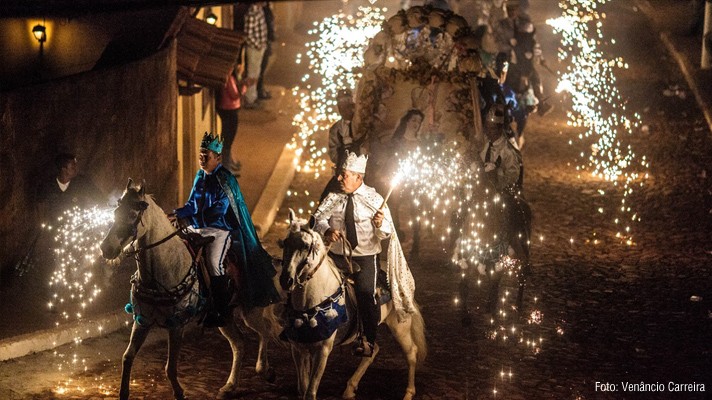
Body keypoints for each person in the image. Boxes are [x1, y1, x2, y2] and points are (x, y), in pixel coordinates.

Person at [173, 132, 280, 327]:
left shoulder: (225, 179)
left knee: (214, 264)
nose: (202, 159)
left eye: (206, 156)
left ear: (218, 158)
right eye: (200, 155)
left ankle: (221, 310)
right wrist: (175, 214)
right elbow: (192, 204)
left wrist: (191, 219)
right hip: (198, 227)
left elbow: (218, 211)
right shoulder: (200, 176)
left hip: (219, 230)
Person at [312, 151, 394, 357]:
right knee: (309, 278)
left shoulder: (374, 199)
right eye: (339, 174)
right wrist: (327, 231)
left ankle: (367, 339)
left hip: (365, 257)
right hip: (337, 256)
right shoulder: (333, 197)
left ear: (359, 177)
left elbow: (387, 232)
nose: (339, 178)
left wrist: (379, 224)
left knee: (366, 293)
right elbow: (317, 219)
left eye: (344, 175)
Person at [318, 89, 361, 201]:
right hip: (344, 171)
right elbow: (333, 154)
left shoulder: (361, 125)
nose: (345, 110)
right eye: (341, 106)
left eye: (349, 106)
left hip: (362, 170)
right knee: (326, 198)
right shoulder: (336, 129)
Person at [37, 153, 103, 223]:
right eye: (73, 167)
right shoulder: (48, 185)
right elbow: (40, 204)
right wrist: (42, 222)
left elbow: (97, 195)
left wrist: (106, 204)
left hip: (78, 225)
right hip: (55, 226)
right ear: (63, 169)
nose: (76, 169)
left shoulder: (82, 182)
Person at [216, 66, 248, 175]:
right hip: (229, 109)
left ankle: (228, 165)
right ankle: (227, 170)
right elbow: (234, 95)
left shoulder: (229, 77)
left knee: (228, 141)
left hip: (228, 109)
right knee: (227, 141)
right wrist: (244, 87)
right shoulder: (228, 78)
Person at [243, 2, 269, 108]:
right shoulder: (251, 14)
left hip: (259, 47)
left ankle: (253, 97)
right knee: (252, 74)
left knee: (256, 73)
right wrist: (258, 45)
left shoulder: (259, 11)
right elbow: (248, 35)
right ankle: (250, 99)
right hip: (254, 49)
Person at [256, 2, 275, 100]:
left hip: (265, 42)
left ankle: (260, 89)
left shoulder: (266, 10)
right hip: (262, 43)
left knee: (262, 69)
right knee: (260, 69)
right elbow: (268, 27)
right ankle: (258, 91)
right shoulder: (263, 11)